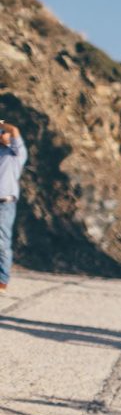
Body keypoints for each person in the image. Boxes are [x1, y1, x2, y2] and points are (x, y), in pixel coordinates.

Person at [0, 119, 28, 294]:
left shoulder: (17, 153)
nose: (3, 136)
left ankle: (2, 279)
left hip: (5, 203)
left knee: (2, 242)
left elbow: (15, 129)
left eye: (4, 134)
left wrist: (1, 124)